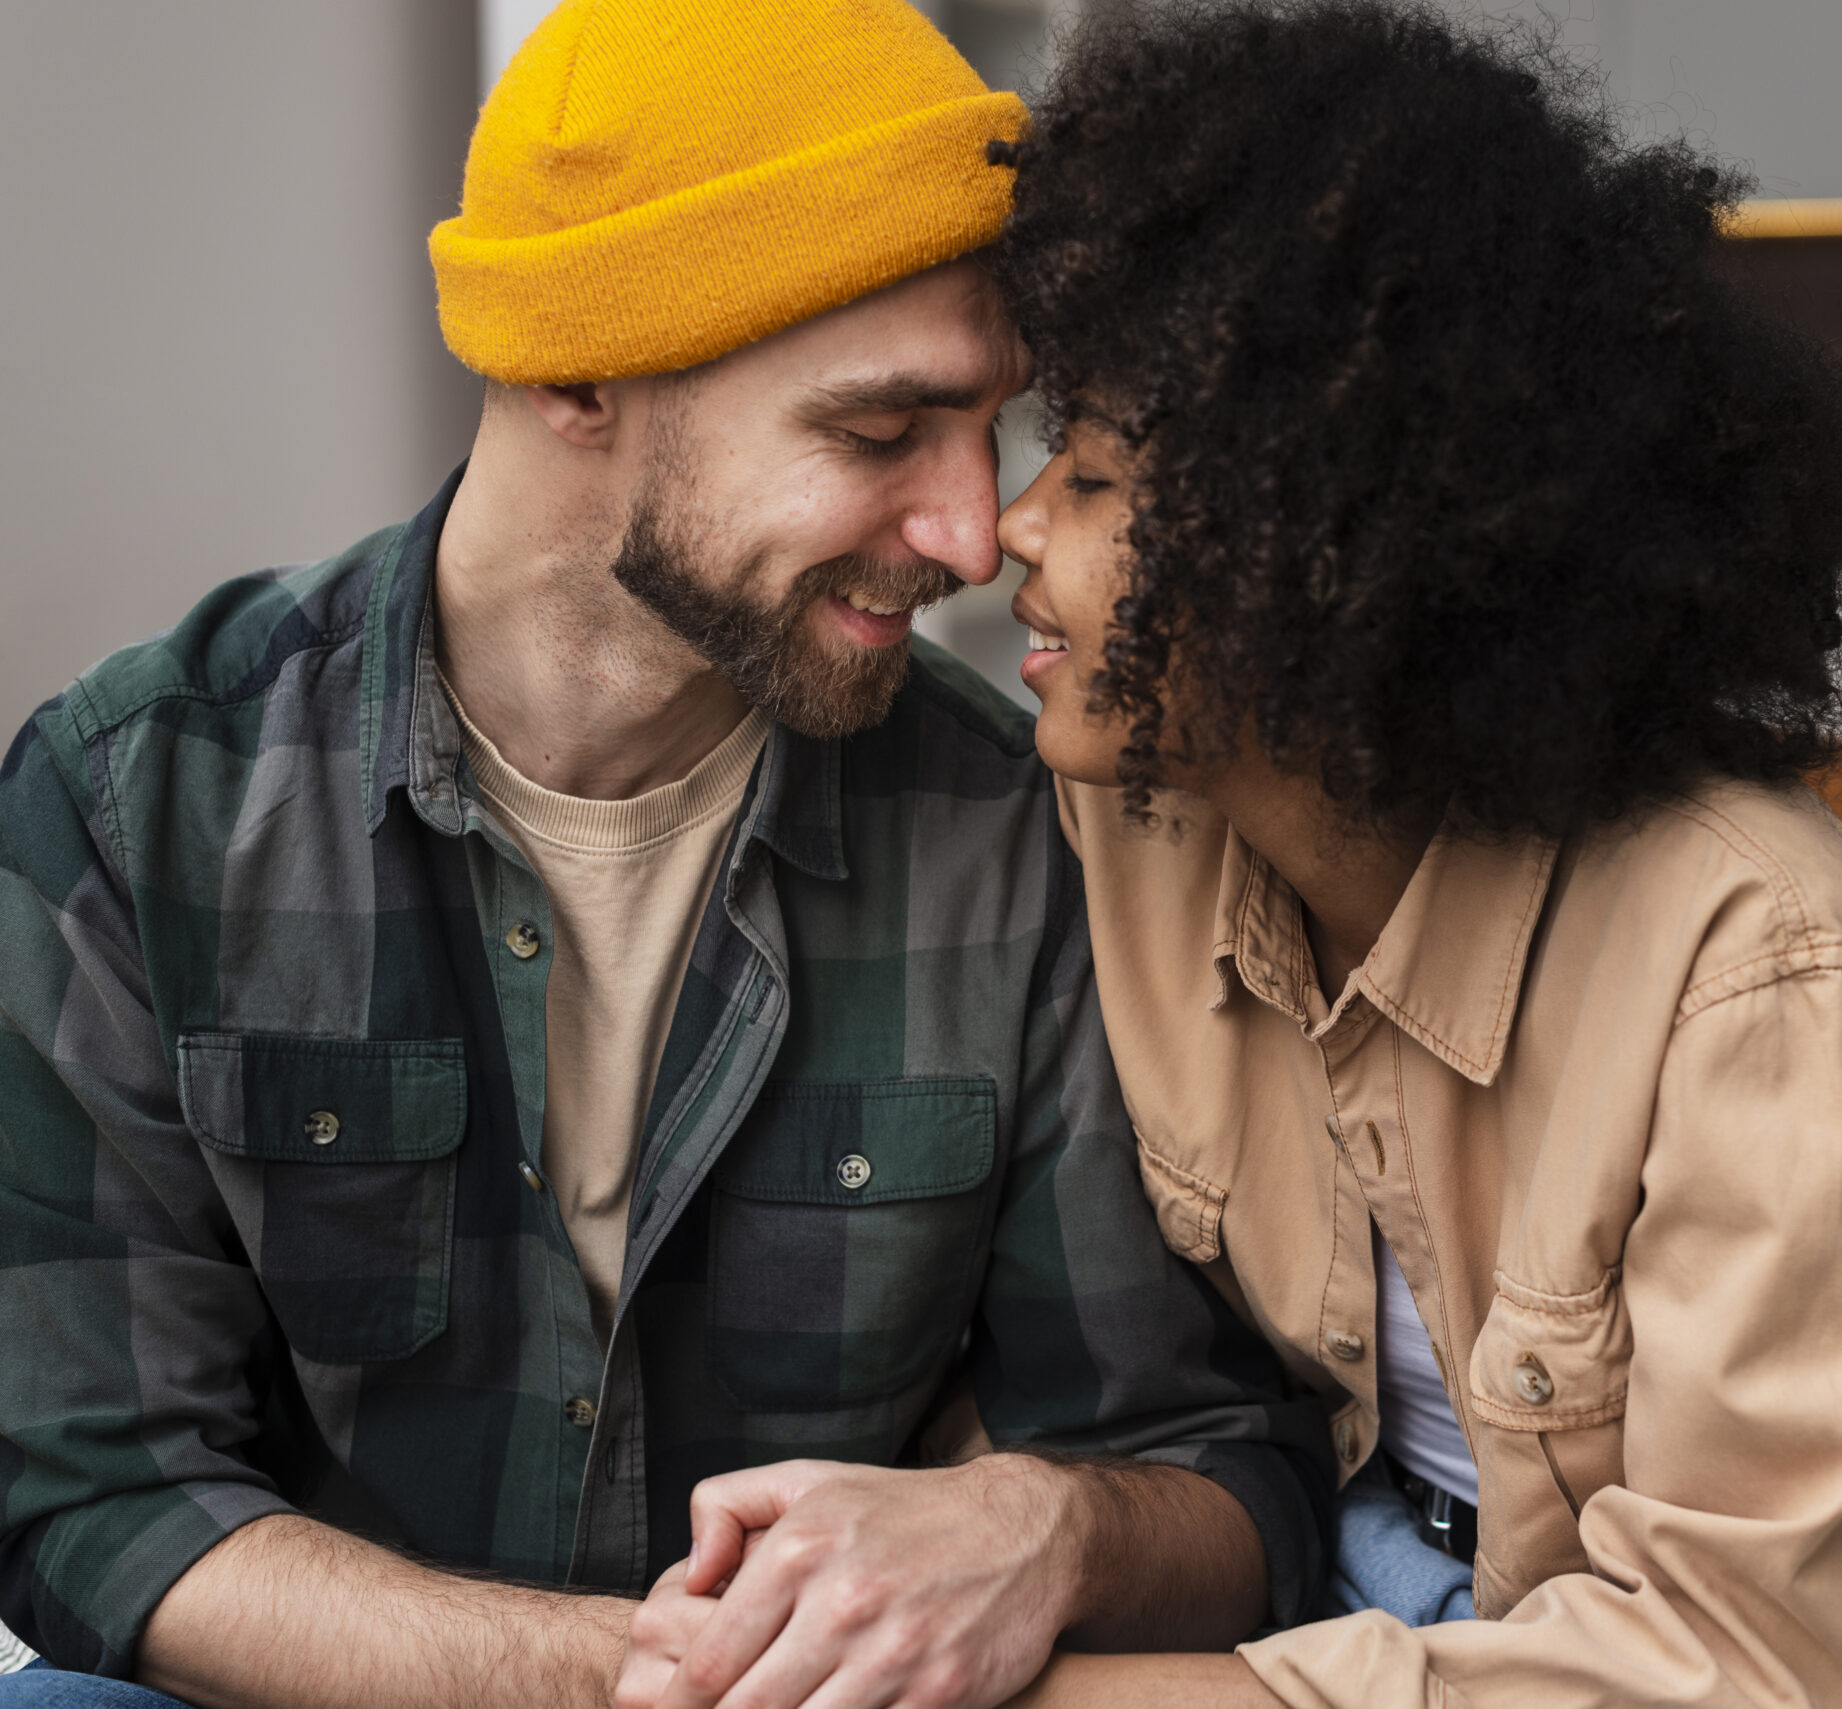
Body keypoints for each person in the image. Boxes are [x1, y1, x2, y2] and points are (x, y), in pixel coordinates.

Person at [0, 4, 1330, 1707]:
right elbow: (95, 1493)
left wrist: (1046, 1523)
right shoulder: (133, 806)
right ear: (579, 372)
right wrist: (653, 1681)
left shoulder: (1021, 831)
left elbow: (1229, 1479)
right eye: (877, 433)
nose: (970, 530)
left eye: (992, 422)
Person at [862, 1, 1842, 1702]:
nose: (1009, 525)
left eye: (1089, 474)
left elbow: (1737, 1669)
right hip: (1382, 1596)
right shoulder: (1127, 821)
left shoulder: (1754, 967)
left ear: (1333, 534)